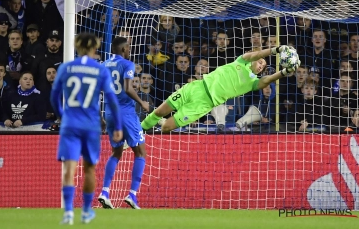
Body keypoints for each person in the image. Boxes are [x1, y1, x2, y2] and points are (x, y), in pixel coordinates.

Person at [141, 45, 301, 133]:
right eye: (260, 62)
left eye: (263, 66)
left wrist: (285, 72)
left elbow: (268, 79)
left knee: (167, 127)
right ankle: (138, 132)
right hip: (196, 87)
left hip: (204, 105)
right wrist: (277, 49)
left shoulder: (254, 82)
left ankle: (148, 129)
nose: (261, 66)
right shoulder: (241, 61)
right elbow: (255, 54)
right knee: (160, 111)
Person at [50, 33, 122, 224]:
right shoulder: (100, 70)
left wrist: (62, 115)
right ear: (94, 48)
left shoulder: (66, 67)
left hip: (70, 124)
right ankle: (86, 211)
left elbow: (54, 96)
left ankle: (67, 212)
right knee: (90, 169)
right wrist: (118, 124)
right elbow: (112, 100)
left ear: (77, 46)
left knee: (69, 169)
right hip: (91, 126)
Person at [98, 37, 149, 210]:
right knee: (140, 152)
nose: (130, 51)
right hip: (126, 113)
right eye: (129, 48)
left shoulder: (103, 65)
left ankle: (105, 192)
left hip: (110, 114)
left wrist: (100, 118)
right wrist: (142, 103)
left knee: (116, 152)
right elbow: (128, 88)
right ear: (124, 49)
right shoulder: (128, 64)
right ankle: (132, 195)